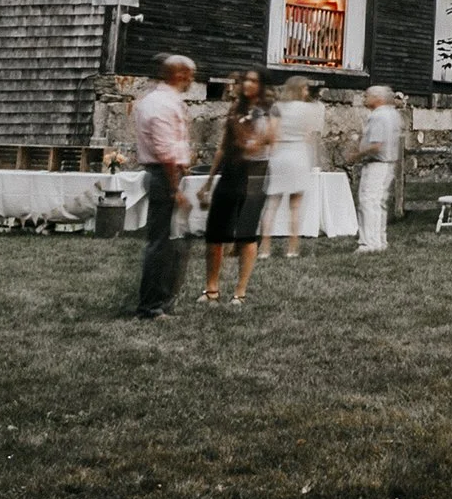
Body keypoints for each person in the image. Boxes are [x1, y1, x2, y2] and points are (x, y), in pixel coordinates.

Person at [131, 54, 196, 319]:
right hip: (163, 176)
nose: (192, 81)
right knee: (160, 244)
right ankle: (151, 305)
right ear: (180, 75)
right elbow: (166, 152)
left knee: (167, 243)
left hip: (166, 173)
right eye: (191, 75)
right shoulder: (162, 104)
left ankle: (161, 298)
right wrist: (175, 188)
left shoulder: (159, 100)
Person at [203, 69, 275, 304]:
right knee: (215, 234)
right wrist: (209, 180)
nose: (247, 84)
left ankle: (240, 292)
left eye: (253, 80)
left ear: (262, 85)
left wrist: (257, 140)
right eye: (245, 79)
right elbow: (223, 147)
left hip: (255, 173)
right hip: (231, 172)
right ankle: (211, 288)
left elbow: (273, 139)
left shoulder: (269, 112)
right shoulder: (235, 110)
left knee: (246, 234)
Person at [263, 76, 328, 255]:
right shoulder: (310, 109)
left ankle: (265, 249)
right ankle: (292, 249)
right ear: (300, 89)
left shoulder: (277, 108)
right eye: (305, 88)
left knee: (272, 204)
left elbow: (271, 135)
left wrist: (272, 154)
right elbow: (309, 135)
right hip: (298, 154)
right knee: (295, 207)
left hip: (280, 155)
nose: (307, 92)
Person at [351, 85, 403, 253]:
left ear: (377, 98)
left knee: (368, 201)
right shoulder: (392, 114)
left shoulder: (378, 116)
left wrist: (357, 154)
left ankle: (369, 243)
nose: (364, 98)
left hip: (376, 163)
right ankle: (380, 240)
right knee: (379, 202)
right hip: (388, 162)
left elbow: (376, 144)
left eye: (367, 96)